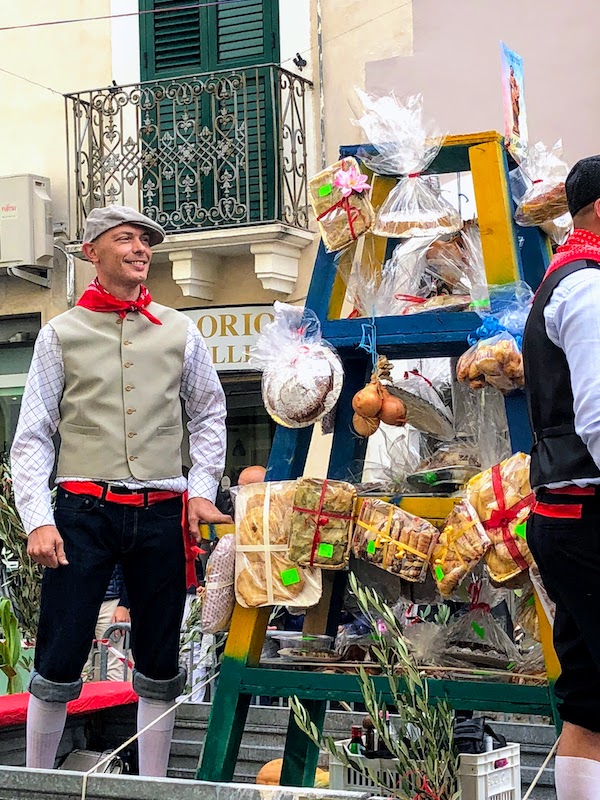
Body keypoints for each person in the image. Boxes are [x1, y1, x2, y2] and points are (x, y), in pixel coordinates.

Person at [10, 205, 231, 777]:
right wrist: (38, 519)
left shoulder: (181, 330)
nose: (141, 249)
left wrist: (202, 489)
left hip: (162, 510)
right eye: (126, 238)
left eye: (146, 241)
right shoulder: (60, 334)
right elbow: (33, 434)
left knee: (159, 654)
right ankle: (39, 782)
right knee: (61, 651)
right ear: (93, 252)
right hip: (82, 510)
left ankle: (153, 785)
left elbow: (209, 414)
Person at [522, 156, 600, 800]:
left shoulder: (565, 276)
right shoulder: (589, 287)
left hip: (566, 516)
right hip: (588, 519)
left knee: (588, 705)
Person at [83, 563, 131, 682]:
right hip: (79, 602)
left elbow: (133, 564)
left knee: (114, 666)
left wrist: (124, 605)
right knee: (78, 668)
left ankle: (117, 701)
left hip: (111, 602)